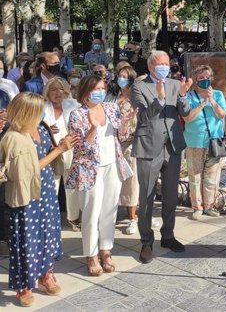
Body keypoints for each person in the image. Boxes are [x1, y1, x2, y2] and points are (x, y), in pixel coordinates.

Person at [0, 92, 75, 306]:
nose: (44, 112)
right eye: (39, 109)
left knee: (48, 234)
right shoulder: (13, 136)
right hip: (26, 196)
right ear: (27, 112)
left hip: (46, 192)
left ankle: (46, 275)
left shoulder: (41, 127)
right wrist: (58, 150)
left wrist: (59, 146)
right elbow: (26, 171)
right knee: (26, 239)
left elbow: (46, 154)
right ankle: (24, 285)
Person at [67, 75, 136, 276]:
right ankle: (91, 254)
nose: (100, 91)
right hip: (89, 169)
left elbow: (121, 137)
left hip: (112, 165)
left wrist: (125, 123)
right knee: (91, 213)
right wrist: (92, 129)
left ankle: (106, 249)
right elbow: (79, 149)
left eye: (102, 88)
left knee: (109, 210)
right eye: (95, 88)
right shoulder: (77, 115)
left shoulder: (111, 108)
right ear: (85, 92)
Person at [131, 51, 193, 263]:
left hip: (173, 147)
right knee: (147, 197)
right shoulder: (139, 86)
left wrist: (183, 95)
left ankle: (168, 235)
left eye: (166, 64)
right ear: (150, 67)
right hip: (149, 147)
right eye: (159, 64)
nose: (164, 67)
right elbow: (143, 116)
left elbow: (184, 112)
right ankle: (146, 241)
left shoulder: (175, 84)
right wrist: (159, 98)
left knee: (170, 195)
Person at [183, 65, 226, 220]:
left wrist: (212, 101)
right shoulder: (189, 96)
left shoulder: (218, 94)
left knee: (211, 177)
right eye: (200, 78)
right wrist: (202, 103)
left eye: (207, 77)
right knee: (195, 176)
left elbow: (222, 115)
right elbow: (187, 118)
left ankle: (209, 206)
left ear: (211, 78)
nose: (204, 80)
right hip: (194, 142)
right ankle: (197, 207)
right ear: (196, 80)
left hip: (214, 142)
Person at [43, 77, 80, 231]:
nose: (58, 93)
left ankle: (74, 218)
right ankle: (49, 219)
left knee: (72, 187)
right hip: (51, 153)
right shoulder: (41, 108)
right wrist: (46, 129)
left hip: (72, 151)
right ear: (47, 92)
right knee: (51, 187)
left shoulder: (73, 106)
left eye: (61, 89)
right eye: (54, 89)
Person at [106, 64, 140, 235]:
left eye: (125, 76)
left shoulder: (135, 99)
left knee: (131, 183)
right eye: (120, 76)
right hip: (111, 144)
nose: (121, 79)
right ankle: (110, 216)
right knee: (113, 182)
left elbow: (136, 124)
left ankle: (133, 217)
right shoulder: (112, 96)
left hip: (128, 145)